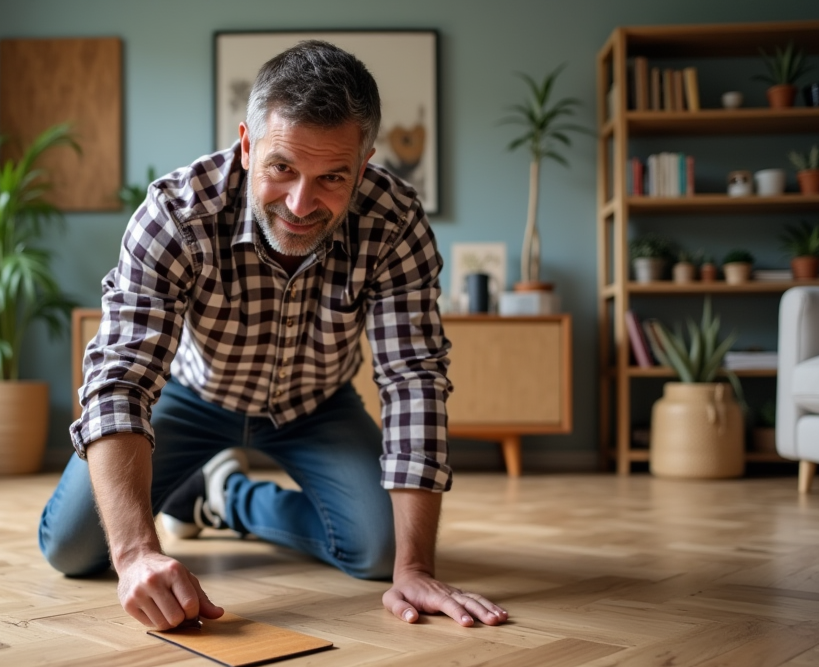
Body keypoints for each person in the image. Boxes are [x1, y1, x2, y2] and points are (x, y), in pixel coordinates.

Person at [39, 40, 508, 632]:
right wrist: (135, 554)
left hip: (317, 407)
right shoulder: (175, 214)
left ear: (362, 169)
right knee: (74, 551)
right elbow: (120, 379)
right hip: (192, 398)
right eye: (282, 167)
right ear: (246, 145)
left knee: (382, 556)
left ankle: (228, 498)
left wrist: (415, 566)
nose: (301, 202)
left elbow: (412, 377)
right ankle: (183, 494)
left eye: (332, 176)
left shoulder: (395, 222)